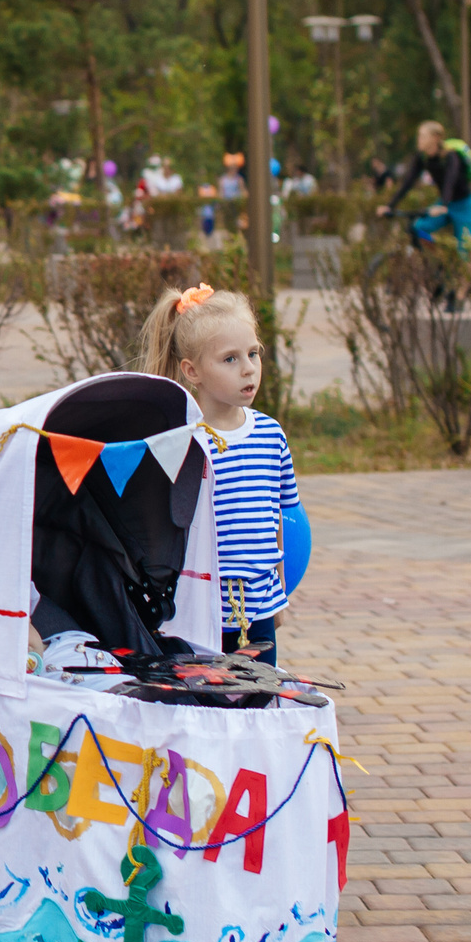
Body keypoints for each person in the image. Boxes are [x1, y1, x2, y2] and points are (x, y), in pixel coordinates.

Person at [145, 283, 300, 664]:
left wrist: (278, 598)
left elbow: (279, 521)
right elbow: (162, 531)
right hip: (200, 613)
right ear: (192, 371)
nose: (248, 368)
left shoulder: (271, 434)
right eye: (229, 359)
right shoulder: (183, 441)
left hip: (261, 609)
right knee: (206, 709)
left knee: (258, 703)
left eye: (253, 353)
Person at [380, 120, 471, 247]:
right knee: (417, 229)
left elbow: (450, 181)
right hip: (443, 204)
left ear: (435, 138)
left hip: (464, 205)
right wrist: (390, 206)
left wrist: (443, 204)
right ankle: (443, 250)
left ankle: (457, 253)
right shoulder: (422, 157)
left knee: (464, 250)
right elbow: (408, 183)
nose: (419, 140)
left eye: (422, 136)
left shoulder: (450, 156)